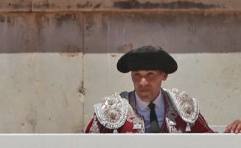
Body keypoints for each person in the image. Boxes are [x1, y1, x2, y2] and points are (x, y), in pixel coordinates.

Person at [85, 45, 241, 134]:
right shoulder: (112, 108)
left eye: (150, 75)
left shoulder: (183, 106)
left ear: (164, 76)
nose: (143, 82)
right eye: (137, 75)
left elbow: (210, 143)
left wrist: (234, 132)